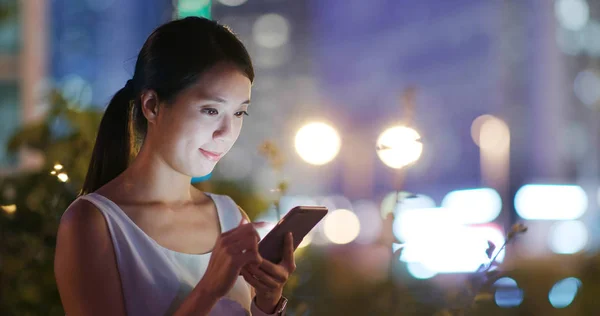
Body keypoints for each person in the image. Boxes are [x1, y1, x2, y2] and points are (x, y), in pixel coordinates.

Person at [54, 17, 293, 315]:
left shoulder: (231, 218)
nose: (225, 132)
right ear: (152, 105)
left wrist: (267, 303)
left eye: (239, 113)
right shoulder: (93, 223)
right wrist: (207, 290)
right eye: (210, 110)